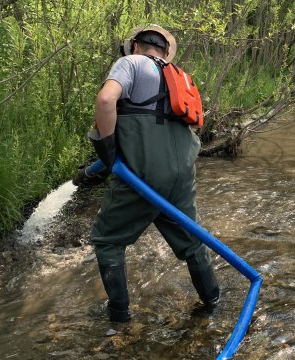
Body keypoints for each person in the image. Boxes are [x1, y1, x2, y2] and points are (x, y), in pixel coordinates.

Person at [81, 24, 219, 322]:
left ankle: (119, 319)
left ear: (136, 46)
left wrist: (107, 151)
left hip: (142, 177)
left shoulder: (130, 63)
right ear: (165, 51)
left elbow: (106, 101)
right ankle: (213, 303)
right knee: (193, 242)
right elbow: (194, 126)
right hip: (182, 175)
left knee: (107, 241)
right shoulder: (180, 77)